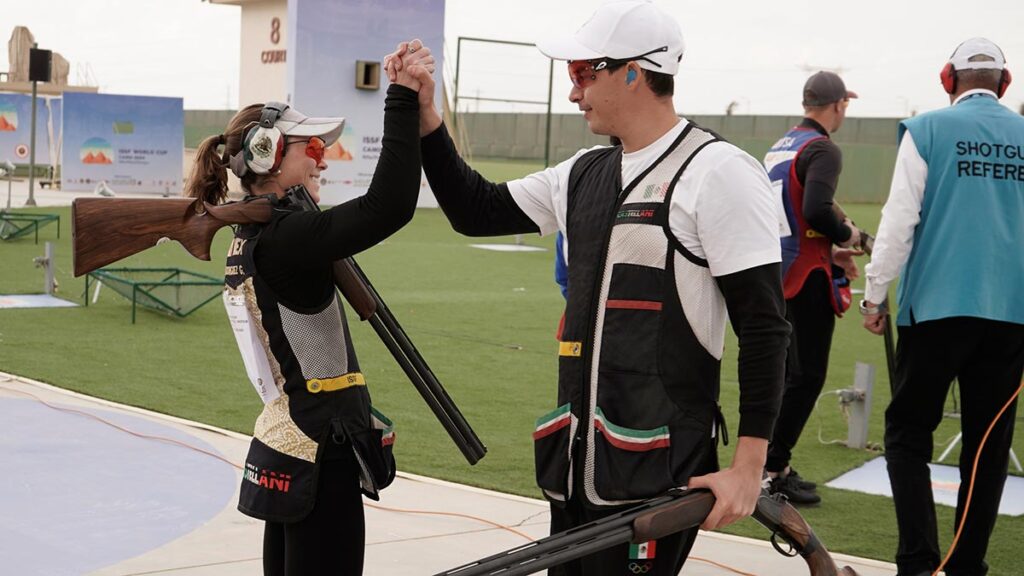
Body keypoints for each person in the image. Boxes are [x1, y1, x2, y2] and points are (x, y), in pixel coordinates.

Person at [387, 2, 790, 573]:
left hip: (659, 473)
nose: (573, 93)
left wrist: (750, 467)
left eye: (582, 73)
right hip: (576, 467)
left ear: (634, 70)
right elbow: (473, 209)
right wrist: (427, 114)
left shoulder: (719, 170)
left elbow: (765, 326)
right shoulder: (580, 171)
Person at [185, 42, 433, 576]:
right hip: (324, 444)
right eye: (311, 147)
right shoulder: (286, 234)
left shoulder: (255, 233)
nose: (322, 158)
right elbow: (389, 206)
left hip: (291, 435)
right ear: (268, 155)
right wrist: (403, 99)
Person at [861, 37, 1024, 576]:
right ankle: (964, 567)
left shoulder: (927, 129)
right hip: (1010, 317)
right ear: (1005, 84)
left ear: (946, 77)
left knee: (908, 434)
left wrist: (874, 294)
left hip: (934, 312)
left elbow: (897, 222)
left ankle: (917, 561)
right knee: (987, 446)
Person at [761, 71, 864, 505]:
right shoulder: (822, 147)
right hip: (804, 274)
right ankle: (771, 469)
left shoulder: (779, 146)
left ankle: (769, 465)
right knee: (805, 377)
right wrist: (849, 236)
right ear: (838, 105)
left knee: (786, 375)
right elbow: (817, 209)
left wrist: (830, 247)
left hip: (777, 268)